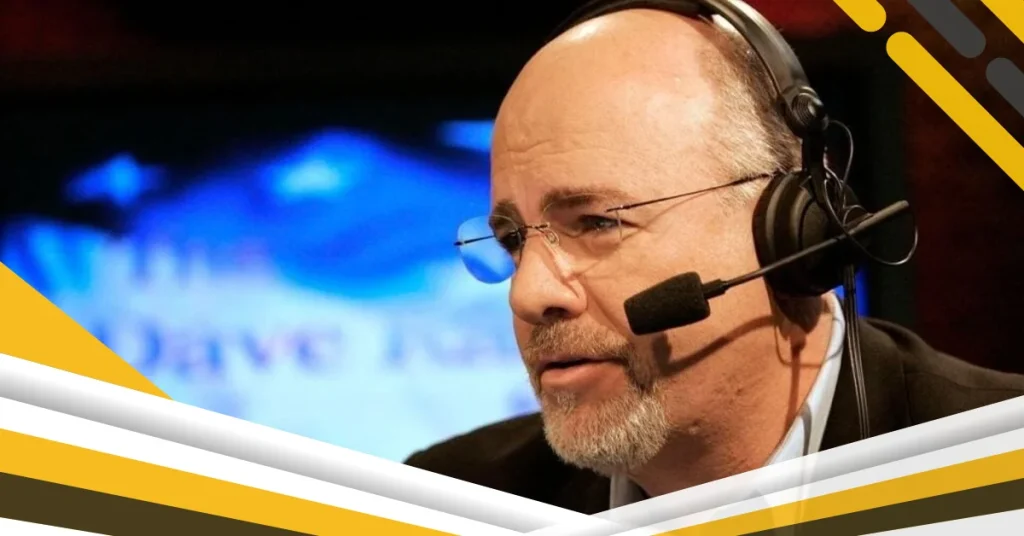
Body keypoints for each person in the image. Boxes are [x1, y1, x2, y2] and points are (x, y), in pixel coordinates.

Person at [405, 2, 1024, 514]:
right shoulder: (454, 505)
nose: (528, 293)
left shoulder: (1003, 472)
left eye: (596, 222)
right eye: (514, 239)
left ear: (790, 231)